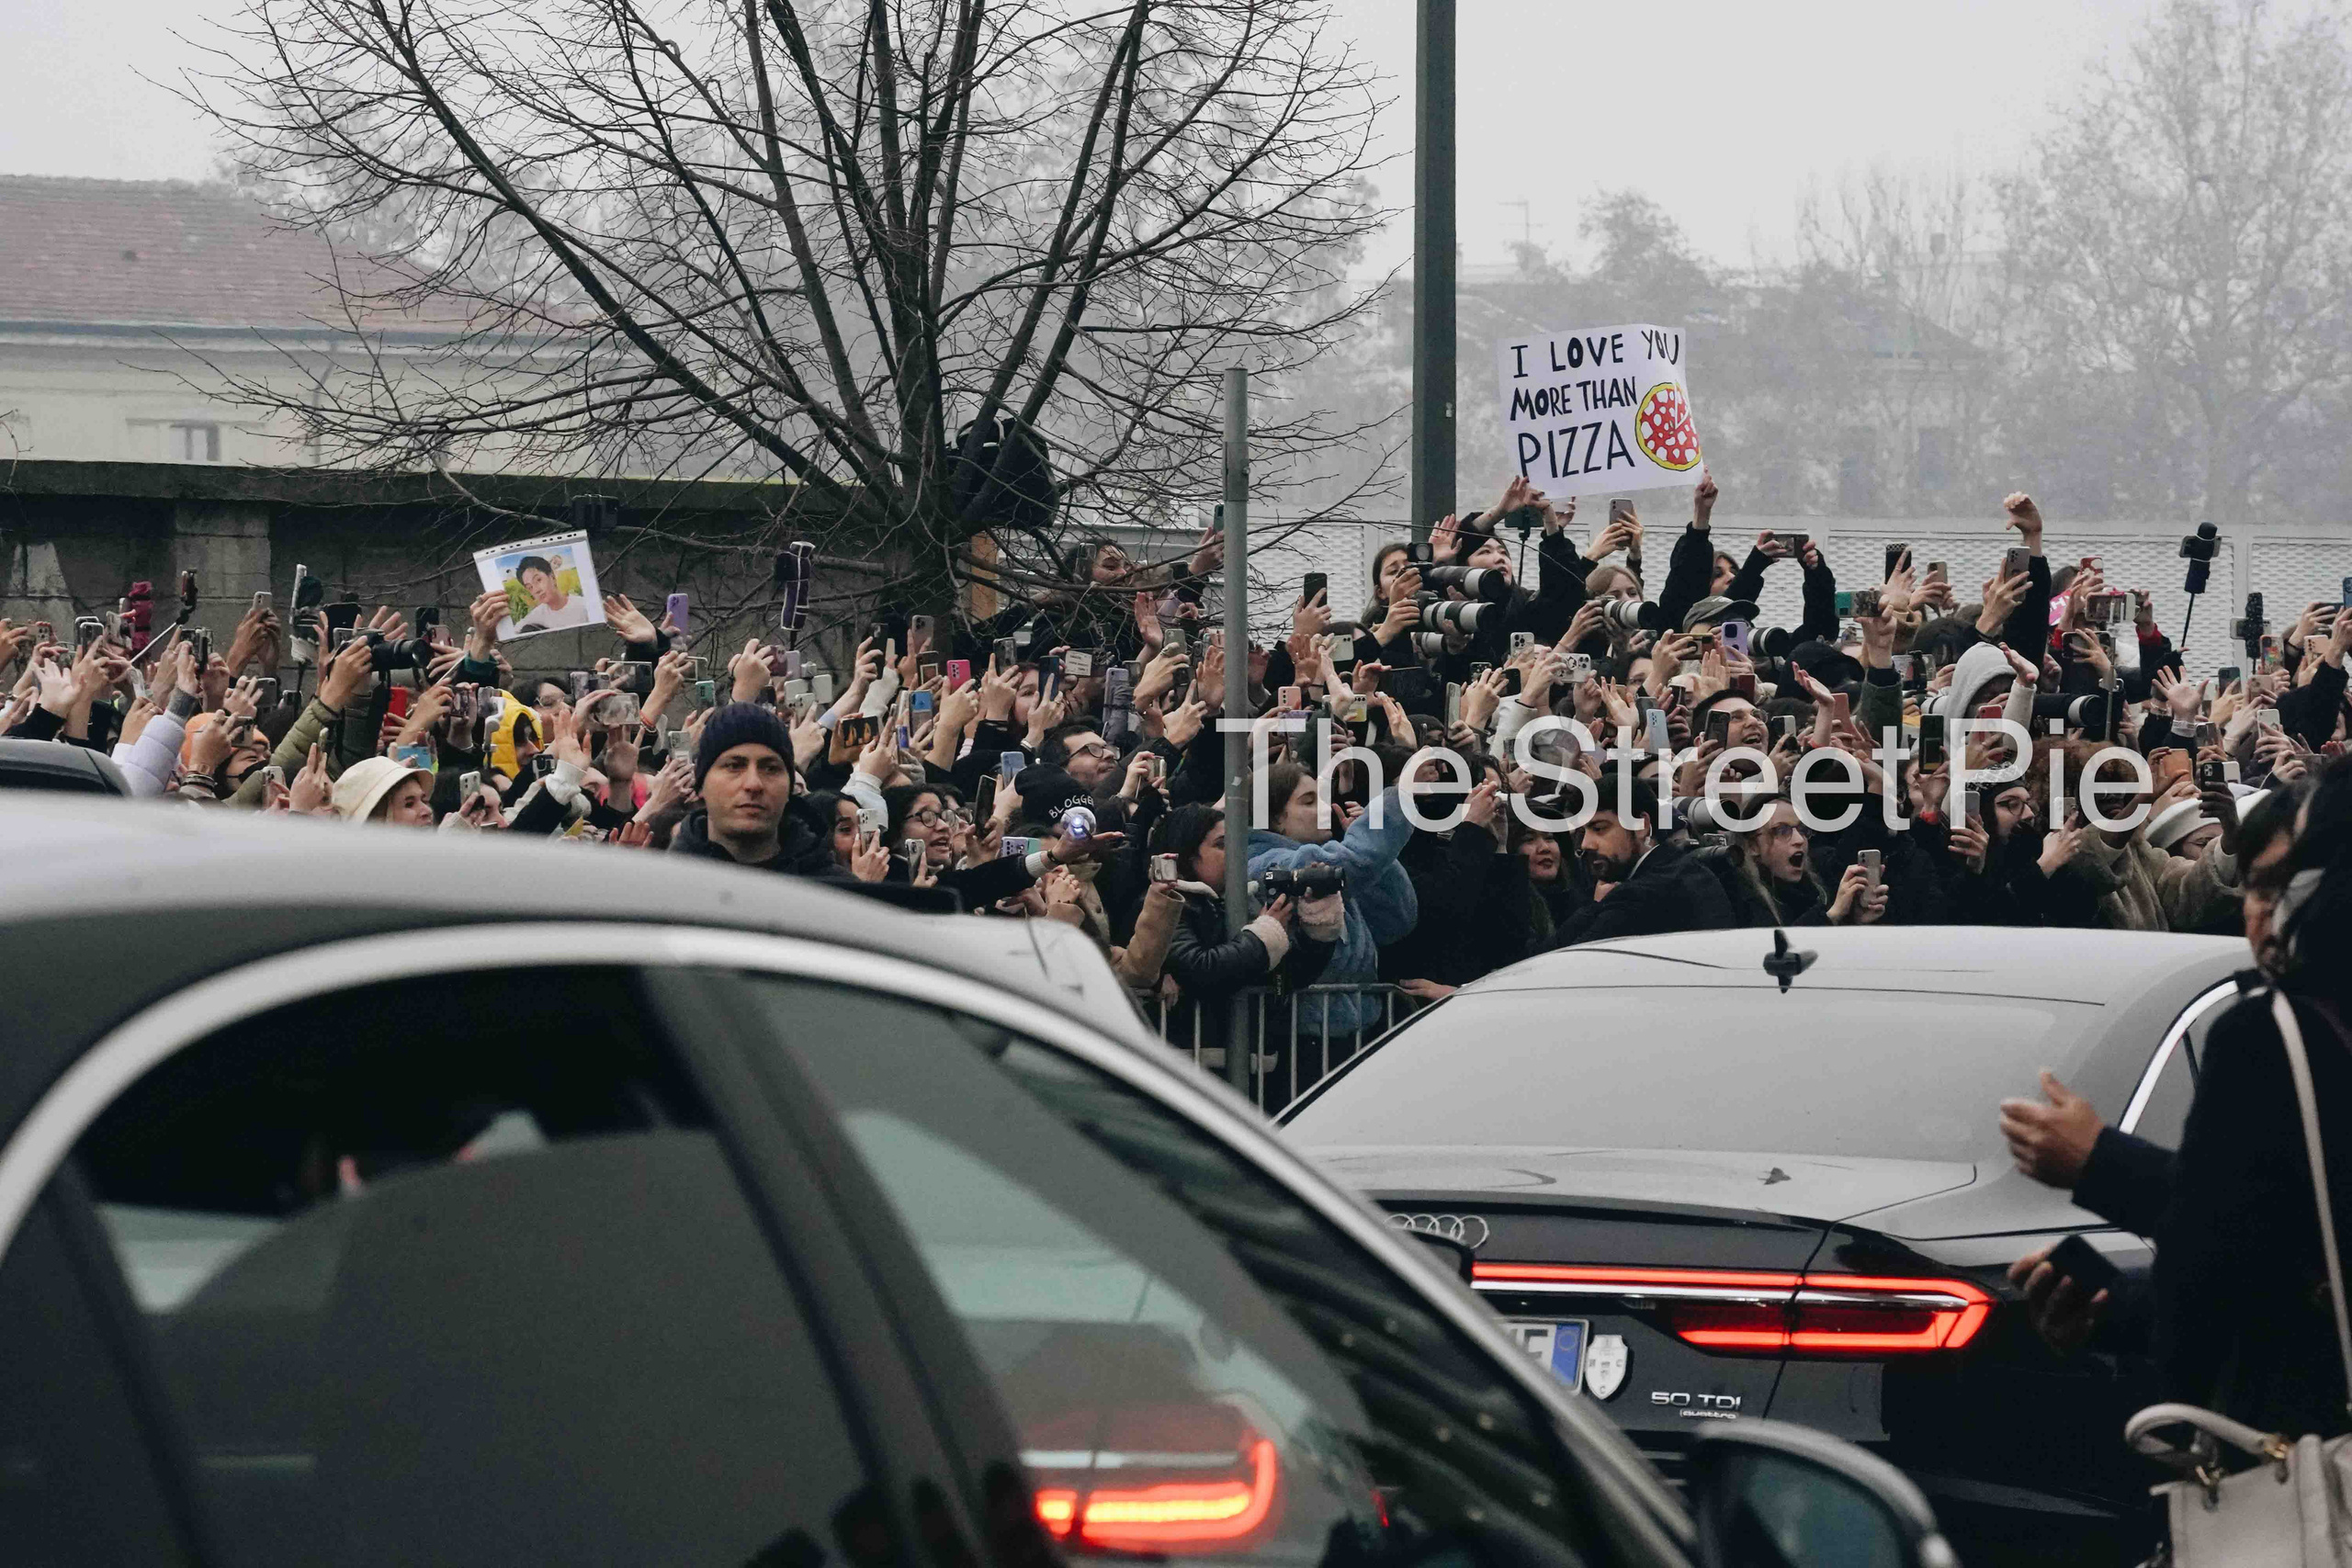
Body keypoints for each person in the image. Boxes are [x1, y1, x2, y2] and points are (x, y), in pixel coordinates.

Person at [1543, 776, 1736, 947]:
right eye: (1583, 832)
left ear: (1642, 825)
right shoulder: (1689, 871)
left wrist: (1596, 906)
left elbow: (1560, 963)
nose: (1586, 844)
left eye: (1599, 828)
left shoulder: (1639, 896)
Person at [667, 703, 837, 874]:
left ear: (790, 786)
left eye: (771, 769)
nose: (753, 784)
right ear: (701, 783)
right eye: (734, 766)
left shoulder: (838, 894)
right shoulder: (659, 890)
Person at [507, 556, 598, 634]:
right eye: (530, 587)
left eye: (538, 580)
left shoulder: (584, 605)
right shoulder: (538, 614)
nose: (536, 590)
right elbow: (513, 632)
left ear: (552, 577)